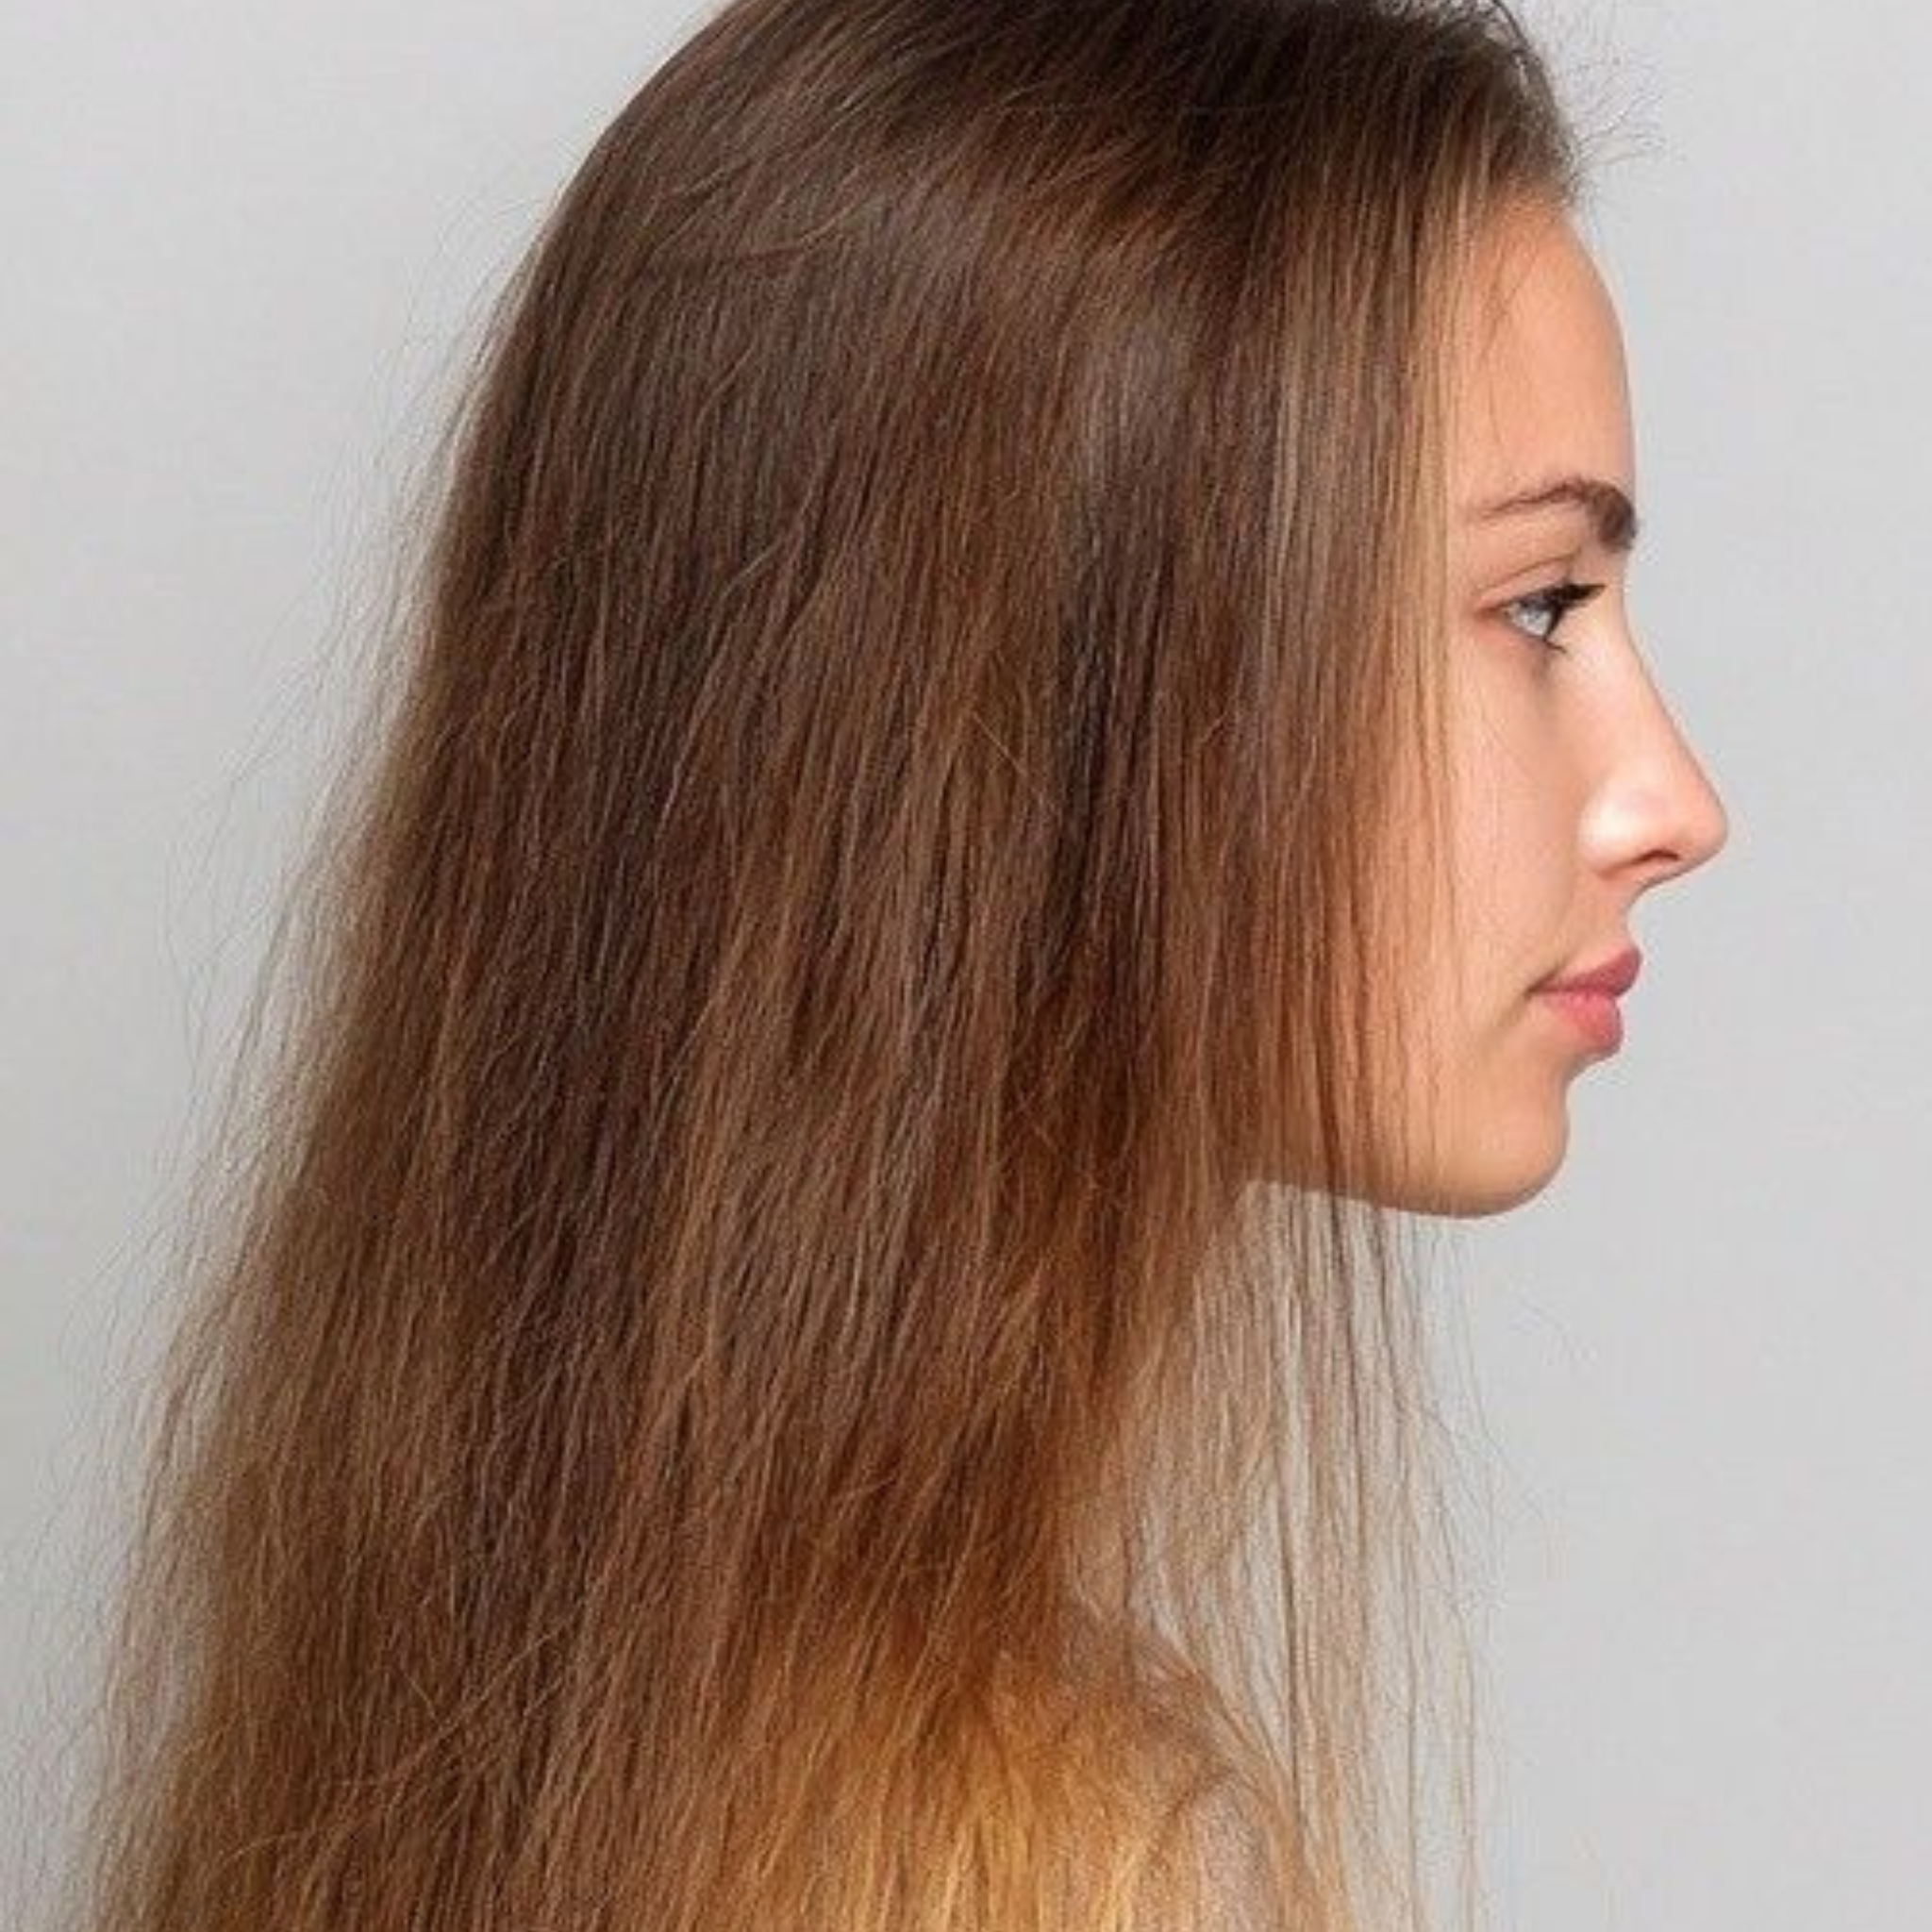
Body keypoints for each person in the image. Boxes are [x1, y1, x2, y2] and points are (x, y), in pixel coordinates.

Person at [63, 4, 1725, 1931]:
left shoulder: (544, 1736)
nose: (1673, 804)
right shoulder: (1055, 1868)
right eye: (1538, 605)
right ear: (1049, 662)